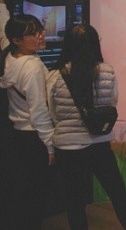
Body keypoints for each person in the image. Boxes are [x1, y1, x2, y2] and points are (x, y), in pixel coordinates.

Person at [47, 24, 126, 230]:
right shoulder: (107, 70)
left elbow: (52, 113)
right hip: (99, 143)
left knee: (74, 200)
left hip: (67, 147)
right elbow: (112, 103)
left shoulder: (55, 76)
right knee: (118, 193)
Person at [1, 14, 55, 229]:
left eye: (40, 30)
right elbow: (39, 110)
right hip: (35, 137)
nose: (40, 36)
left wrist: (2, 8)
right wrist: (49, 145)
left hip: (17, 134)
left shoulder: (9, 57)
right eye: (32, 34)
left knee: (23, 190)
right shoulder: (32, 67)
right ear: (17, 40)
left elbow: (3, 33)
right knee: (36, 193)